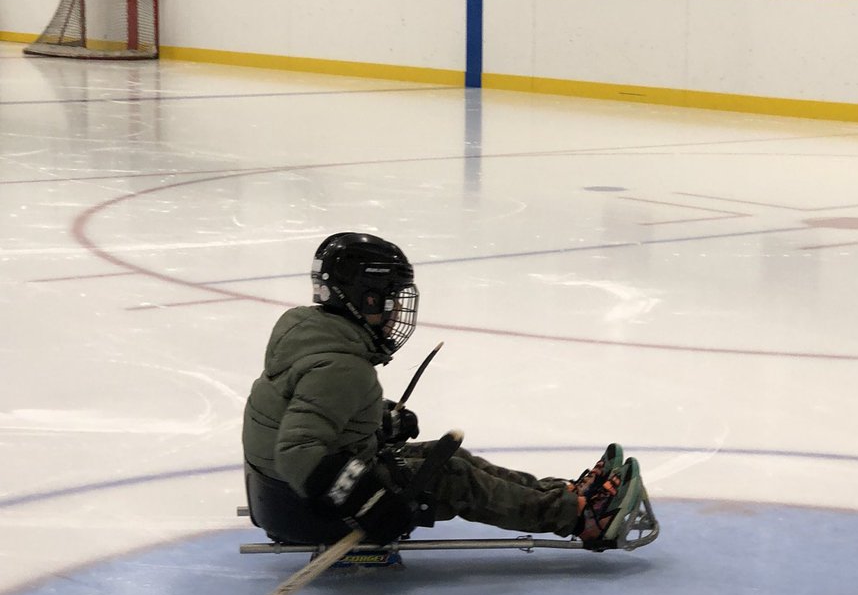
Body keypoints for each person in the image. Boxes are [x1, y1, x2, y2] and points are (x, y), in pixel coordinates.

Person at [242, 232, 648, 552]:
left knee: (452, 458)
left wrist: (377, 419)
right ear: (363, 297)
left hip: (283, 497)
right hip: (308, 509)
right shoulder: (342, 366)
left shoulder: (311, 331)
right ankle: (582, 517)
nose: (396, 313)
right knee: (453, 477)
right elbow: (299, 454)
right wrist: (370, 505)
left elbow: (313, 409)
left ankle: (563, 496)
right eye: (389, 301)